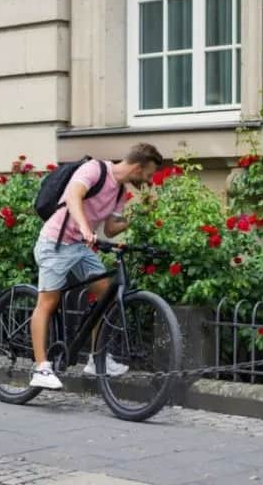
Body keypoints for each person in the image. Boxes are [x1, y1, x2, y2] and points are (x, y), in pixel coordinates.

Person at [29, 143, 164, 389]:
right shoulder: (95, 169)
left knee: (106, 296)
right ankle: (41, 368)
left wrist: (138, 216)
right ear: (137, 167)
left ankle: (96, 359)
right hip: (55, 242)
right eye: (148, 174)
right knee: (47, 302)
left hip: (81, 247)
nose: (148, 180)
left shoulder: (119, 192)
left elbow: (111, 228)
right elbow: (73, 196)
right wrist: (83, 226)